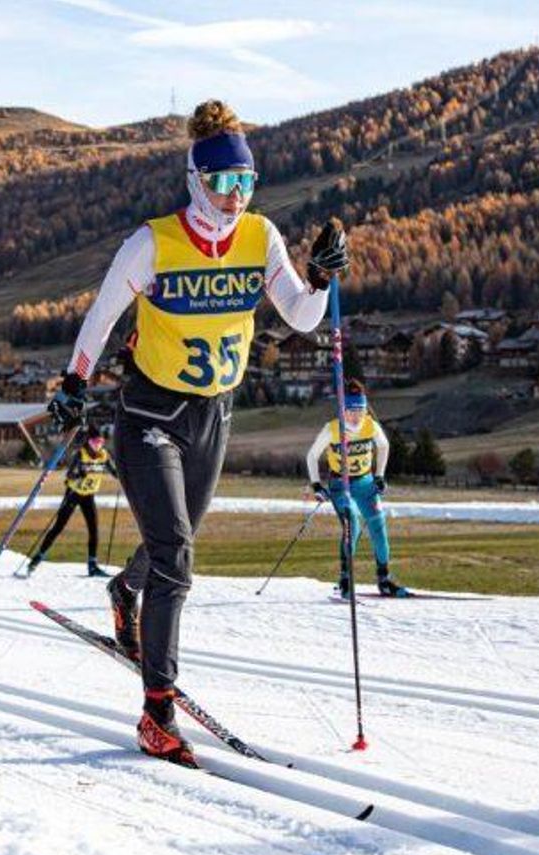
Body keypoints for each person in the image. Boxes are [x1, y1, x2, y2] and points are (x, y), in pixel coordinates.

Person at [47, 99, 348, 765]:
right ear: (195, 179)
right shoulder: (153, 242)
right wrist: (73, 384)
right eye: (221, 182)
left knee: (167, 550)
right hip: (149, 415)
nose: (235, 196)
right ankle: (157, 711)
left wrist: (322, 275)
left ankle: (126, 591)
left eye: (246, 182)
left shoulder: (260, 237)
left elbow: (300, 316)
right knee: (178, 558)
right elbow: (101, 316)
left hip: (213, 414)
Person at [305, 380, 409, 598]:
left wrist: (379, 476)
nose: (356, 416)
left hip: (365, 483)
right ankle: (345, 580)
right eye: (352, 411)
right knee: (351, 522)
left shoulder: (370, 425)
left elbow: (384, 446)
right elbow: (312, 455)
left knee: (378, 526)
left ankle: (384, 579)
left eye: (360, 410)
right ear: (344, 410)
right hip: (340, 485)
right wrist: (316, 484)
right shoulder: (332, 429)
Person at [22, 425, 116, 578]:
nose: (98, 445)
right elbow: (70, 476)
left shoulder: (104, 456)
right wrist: (80, 474)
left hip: (88, 495)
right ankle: (37, 559)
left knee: (94, 529)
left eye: (100, 442)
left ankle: (92, 565)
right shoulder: (81, 454)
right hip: (73, 494)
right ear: (89, 442)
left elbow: (114, 472)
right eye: (94, 442)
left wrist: (124, 475)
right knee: (58, 527)